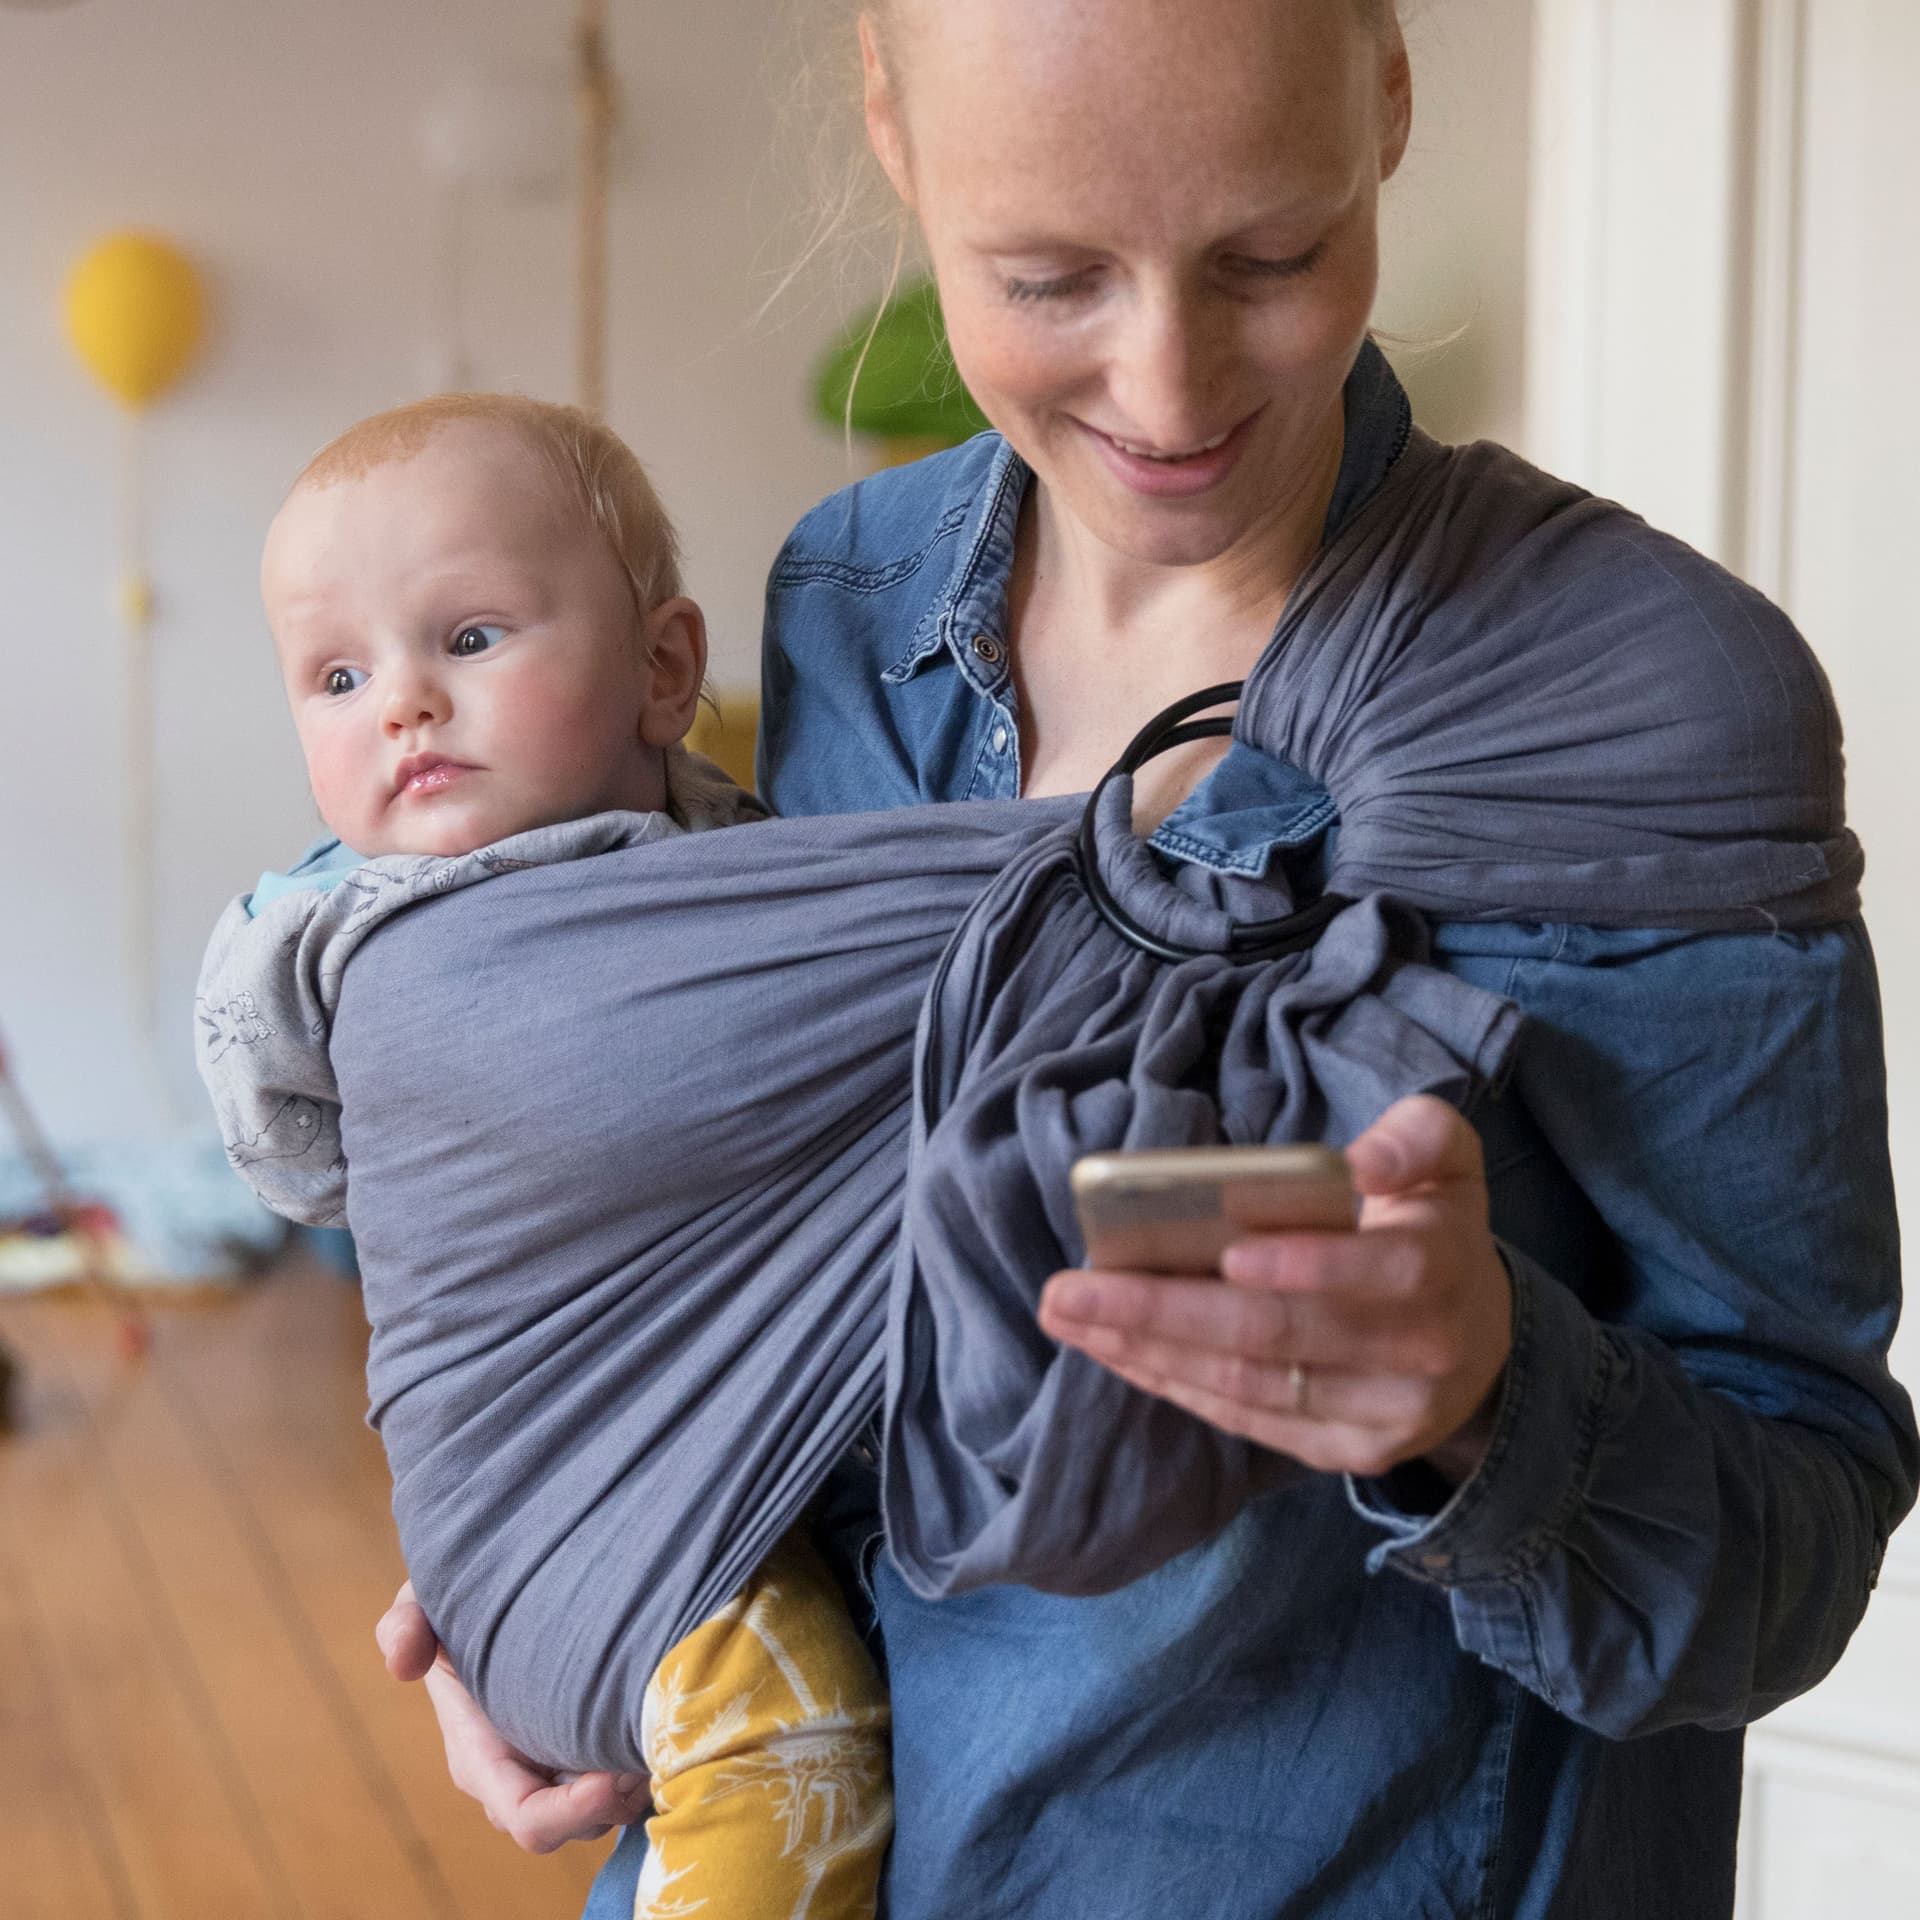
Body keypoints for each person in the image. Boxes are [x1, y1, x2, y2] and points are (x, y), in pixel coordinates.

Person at [379, 4, 1917, 1916]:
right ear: (894, 132)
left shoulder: (1638, 703)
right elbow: (757, 1268)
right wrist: (556, 1568)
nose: (1170, 391)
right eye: (1047, 278)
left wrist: (1483, 1401)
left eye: (1270, 257)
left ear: (1390, 100)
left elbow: (1804, 1530)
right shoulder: (846, 610)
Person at [209, 392, 894, 1920]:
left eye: (468, 640)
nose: (402, 705)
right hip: (572, 1472)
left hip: (758, 1427)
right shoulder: (340, 929)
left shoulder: (743, 858)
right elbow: (310, 1155)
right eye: (336, 675)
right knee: (791, 1727)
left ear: (665, 667)